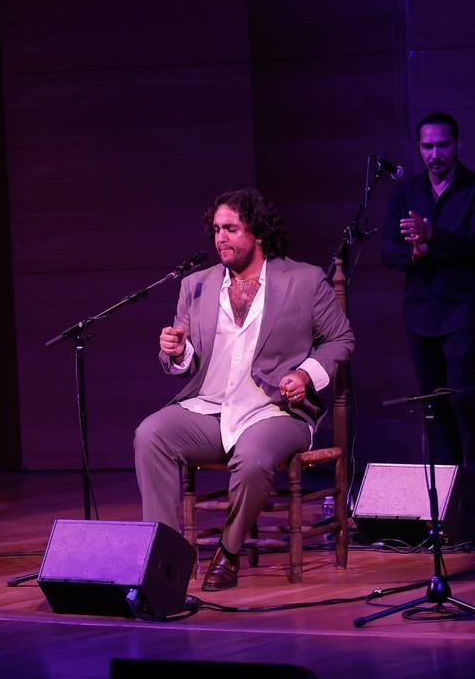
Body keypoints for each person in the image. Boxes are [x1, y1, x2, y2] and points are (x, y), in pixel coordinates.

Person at [135, 189, 354, 591]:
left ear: (258, 233)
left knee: (253, 458)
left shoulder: (303, 280)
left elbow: (340, 339)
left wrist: (305, 375)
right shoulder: (196, 286)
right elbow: (185, 361)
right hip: (212, 407)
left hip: (275, 411)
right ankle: (163, 556)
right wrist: (178, 350)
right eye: (217, 229)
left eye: (231, 228)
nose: (221, 238)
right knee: (151, 434)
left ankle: (229, 552)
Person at [380, 112, 475, 528]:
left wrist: (433, 237)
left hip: (461, 310)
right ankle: (446, 501)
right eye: (427, 147)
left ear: (458, 145)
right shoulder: (406, 190)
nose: (434, 154)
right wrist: (413, 252)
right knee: (434, 407)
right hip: (420, 313)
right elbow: (387, 251)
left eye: (442, 145)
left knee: (463, 401)